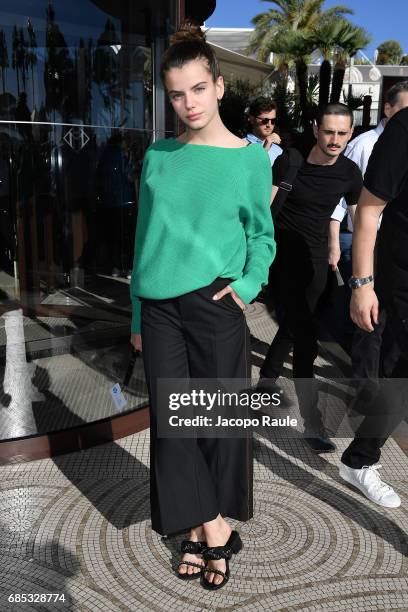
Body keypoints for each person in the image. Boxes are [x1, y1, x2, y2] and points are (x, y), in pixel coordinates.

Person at [129, 21, 275, 590]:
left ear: (218, 85)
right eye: (176, 93)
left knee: (213, 423)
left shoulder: (248, 160)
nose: (187, 103)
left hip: (217, 302)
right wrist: (138, 316)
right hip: (161, 305)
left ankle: (199, 529)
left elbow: (263, 237)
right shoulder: (158, 156)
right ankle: (212, 527)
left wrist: (247, 286)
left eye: (196, 88)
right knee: (174, 425)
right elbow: (142, 239)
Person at [259, 103, 363, 453]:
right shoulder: (290, 161)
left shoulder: (350, 173)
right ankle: (312, 422)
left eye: (343, 133)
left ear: (350, 134)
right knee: (306, 339)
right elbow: (262, 211)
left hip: (316, 261)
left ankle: (265, 381)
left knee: (295, 325)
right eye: (329, 131)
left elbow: (359, 220)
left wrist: (359, 266)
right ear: (316, 128)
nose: (335, 140)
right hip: (281, 260)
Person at [339, 106, 408, 509]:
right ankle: (360, 459)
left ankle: (359, 459)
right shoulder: (403, 128)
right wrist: (362, 285)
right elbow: (368, 210)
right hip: (401, 277)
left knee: (400, 378)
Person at [331, 80, 408, 344]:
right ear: (388, 109)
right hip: (369, 243)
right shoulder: (368, 143)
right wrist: (361, 283)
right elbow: (349, 197)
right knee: (370, 329)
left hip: (378, 241)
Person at [244, 97, 283, 165]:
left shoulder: (278, 150)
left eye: (273, 121)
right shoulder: (240, 145)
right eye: (265, 121)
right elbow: (248, 172)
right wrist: (265, 148)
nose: (269, 125)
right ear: (252, 119)